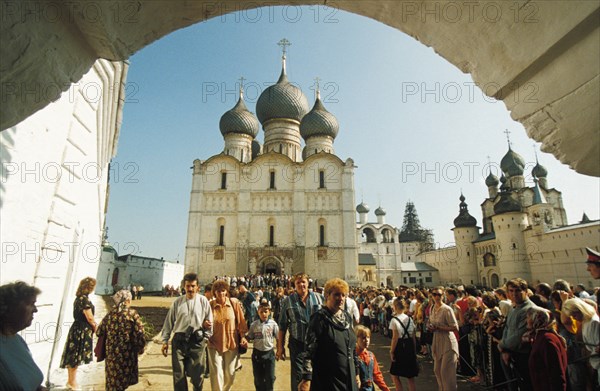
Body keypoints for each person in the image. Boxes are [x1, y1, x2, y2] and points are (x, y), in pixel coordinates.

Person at [298, 278, 359, 391]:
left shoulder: (347, 317)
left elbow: (352, 348)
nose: (340, 298)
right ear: (327, 296)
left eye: (343, 295)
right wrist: (307, 378)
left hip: (348, 378)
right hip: (328, 379)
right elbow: (309, 351)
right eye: (336, 295)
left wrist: (356, 373)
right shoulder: (319, 319)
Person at [161, 273, 213, 391]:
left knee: (198, 375)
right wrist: (165, 341)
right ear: (184, 287)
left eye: (193, 286)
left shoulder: (203, 301)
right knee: (178, 375)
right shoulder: (178, 302)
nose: (190, 289)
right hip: (179, 341)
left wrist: (206, 338)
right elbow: (169, 322)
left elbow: (210, 321)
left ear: (198, 287)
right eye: (188, 286)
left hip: (197, 341)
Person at [276, 272, 324, 391]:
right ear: (294, 284)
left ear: (308, 283)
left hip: (317, 344)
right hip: (298, 344)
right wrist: (280, 347)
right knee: (298, 376)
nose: (301, 284)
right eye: (298, 282)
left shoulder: (319, 298)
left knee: (317, 374)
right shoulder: (288, 301)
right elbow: (282, 325)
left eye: (303, 282)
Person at [0, 281, 47, 391]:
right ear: (8, 308)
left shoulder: (16, 339)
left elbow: (29, 380)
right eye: (31, 304)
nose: (35, 310)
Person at [97, 289, 146, 390]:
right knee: (123, 381)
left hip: (111, 354)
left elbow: (99, 331)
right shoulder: (132, 314)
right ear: (127, 300)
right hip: (126, 354)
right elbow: (140, 334)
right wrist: (141, 348)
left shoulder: (110, 315)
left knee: (112, 381)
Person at [498, 278, 539, 391]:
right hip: (510, 353)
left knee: (525, 386)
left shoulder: (530, 309)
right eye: (511, 291)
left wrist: (502, 346)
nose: (514, 294)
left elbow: (520, 335)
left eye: (517, 290)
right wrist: (504, 349)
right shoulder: (513, 307)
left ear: (525, 291)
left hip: (522, 355)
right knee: (513, 386)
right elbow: (507, 328)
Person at [207, 279, 248, 391]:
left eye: (223, 290)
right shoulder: (209, 305)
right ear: (214, 292)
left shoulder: (234, 304)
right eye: (218, 291)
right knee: (216, 373)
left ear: (226, 291)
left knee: (230, 373)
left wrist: (243, 336)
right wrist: (204, 324)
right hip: (214, 342)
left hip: (231, 342)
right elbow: (202, 322)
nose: (221, 293)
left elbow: (241, 322)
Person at [60, 276, 97, 390]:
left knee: (73, 355)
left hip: (77, 328)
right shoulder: (84, 299)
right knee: (75, 356)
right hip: (82, 330)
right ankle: (72, 383)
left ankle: (71, 381)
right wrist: (96, 328)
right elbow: (89, 317)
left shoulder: (78, 298)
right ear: (89, 287)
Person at [524, 306, 567, 391]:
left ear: (536, 319)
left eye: (528, 317)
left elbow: (556, 373)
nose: (526, 320)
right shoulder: (540, 337)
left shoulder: (547, 340)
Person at [561, 298, 600, 385]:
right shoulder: (587, 321)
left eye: (574, 315)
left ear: (580, 310)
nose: (574, 318)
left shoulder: (593, 322)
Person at [429, 286, 459, 391]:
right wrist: (431, 327)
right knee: (437, 370)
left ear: (443, 296)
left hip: (448, 342)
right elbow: (431, 322)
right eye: (434, 294)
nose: (437, 297)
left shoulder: (447, 309)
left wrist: (439, 327)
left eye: (439, 295)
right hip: (437, 341)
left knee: (446, 372)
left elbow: (455, 327)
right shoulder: (432, 308)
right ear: (431, 296)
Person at [247, 302, 280, 391]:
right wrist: (244, 340)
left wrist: (279, 350)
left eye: (266, 311)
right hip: (257, 354)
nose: (264, 314)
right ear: (258, 312)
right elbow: (249, 337)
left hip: (269, 354)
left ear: (269, 312)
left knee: (270, 378)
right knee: (258, 379)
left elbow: (278, 338)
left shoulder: (273, 324)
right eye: (261, 312)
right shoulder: (254, 325)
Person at [388, 297, 417, 391]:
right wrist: (414, 350)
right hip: (409, 346)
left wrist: (392, 351)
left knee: (395, 374)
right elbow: (413, 336)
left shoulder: (394, 320)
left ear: (395, 307)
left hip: (400, 346)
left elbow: (395, 338)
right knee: (410, 376)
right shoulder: (409, 319)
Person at [355, 325, 390, 391]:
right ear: (356, 338)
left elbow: (377, 375)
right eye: (363, 338)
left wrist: (386, 389)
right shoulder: (353, 356)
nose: (366, 340)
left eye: (368, 337)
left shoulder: (371, 355)